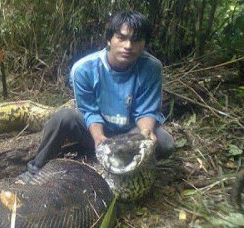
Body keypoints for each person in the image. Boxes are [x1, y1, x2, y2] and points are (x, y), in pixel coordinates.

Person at [18, 11, 174, 182]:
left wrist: (146, 132)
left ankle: (123, 163)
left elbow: (146, 111)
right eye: (121, 38)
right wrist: (99, 139)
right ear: (109, 40)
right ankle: (35, 170)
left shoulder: (152, 68)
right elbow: (89, 111)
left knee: (165, 142)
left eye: (136, 40)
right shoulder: (84, 69)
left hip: (129, 134)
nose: (128, 46)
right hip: (96, 130)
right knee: (63, 117)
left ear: (144, 43)